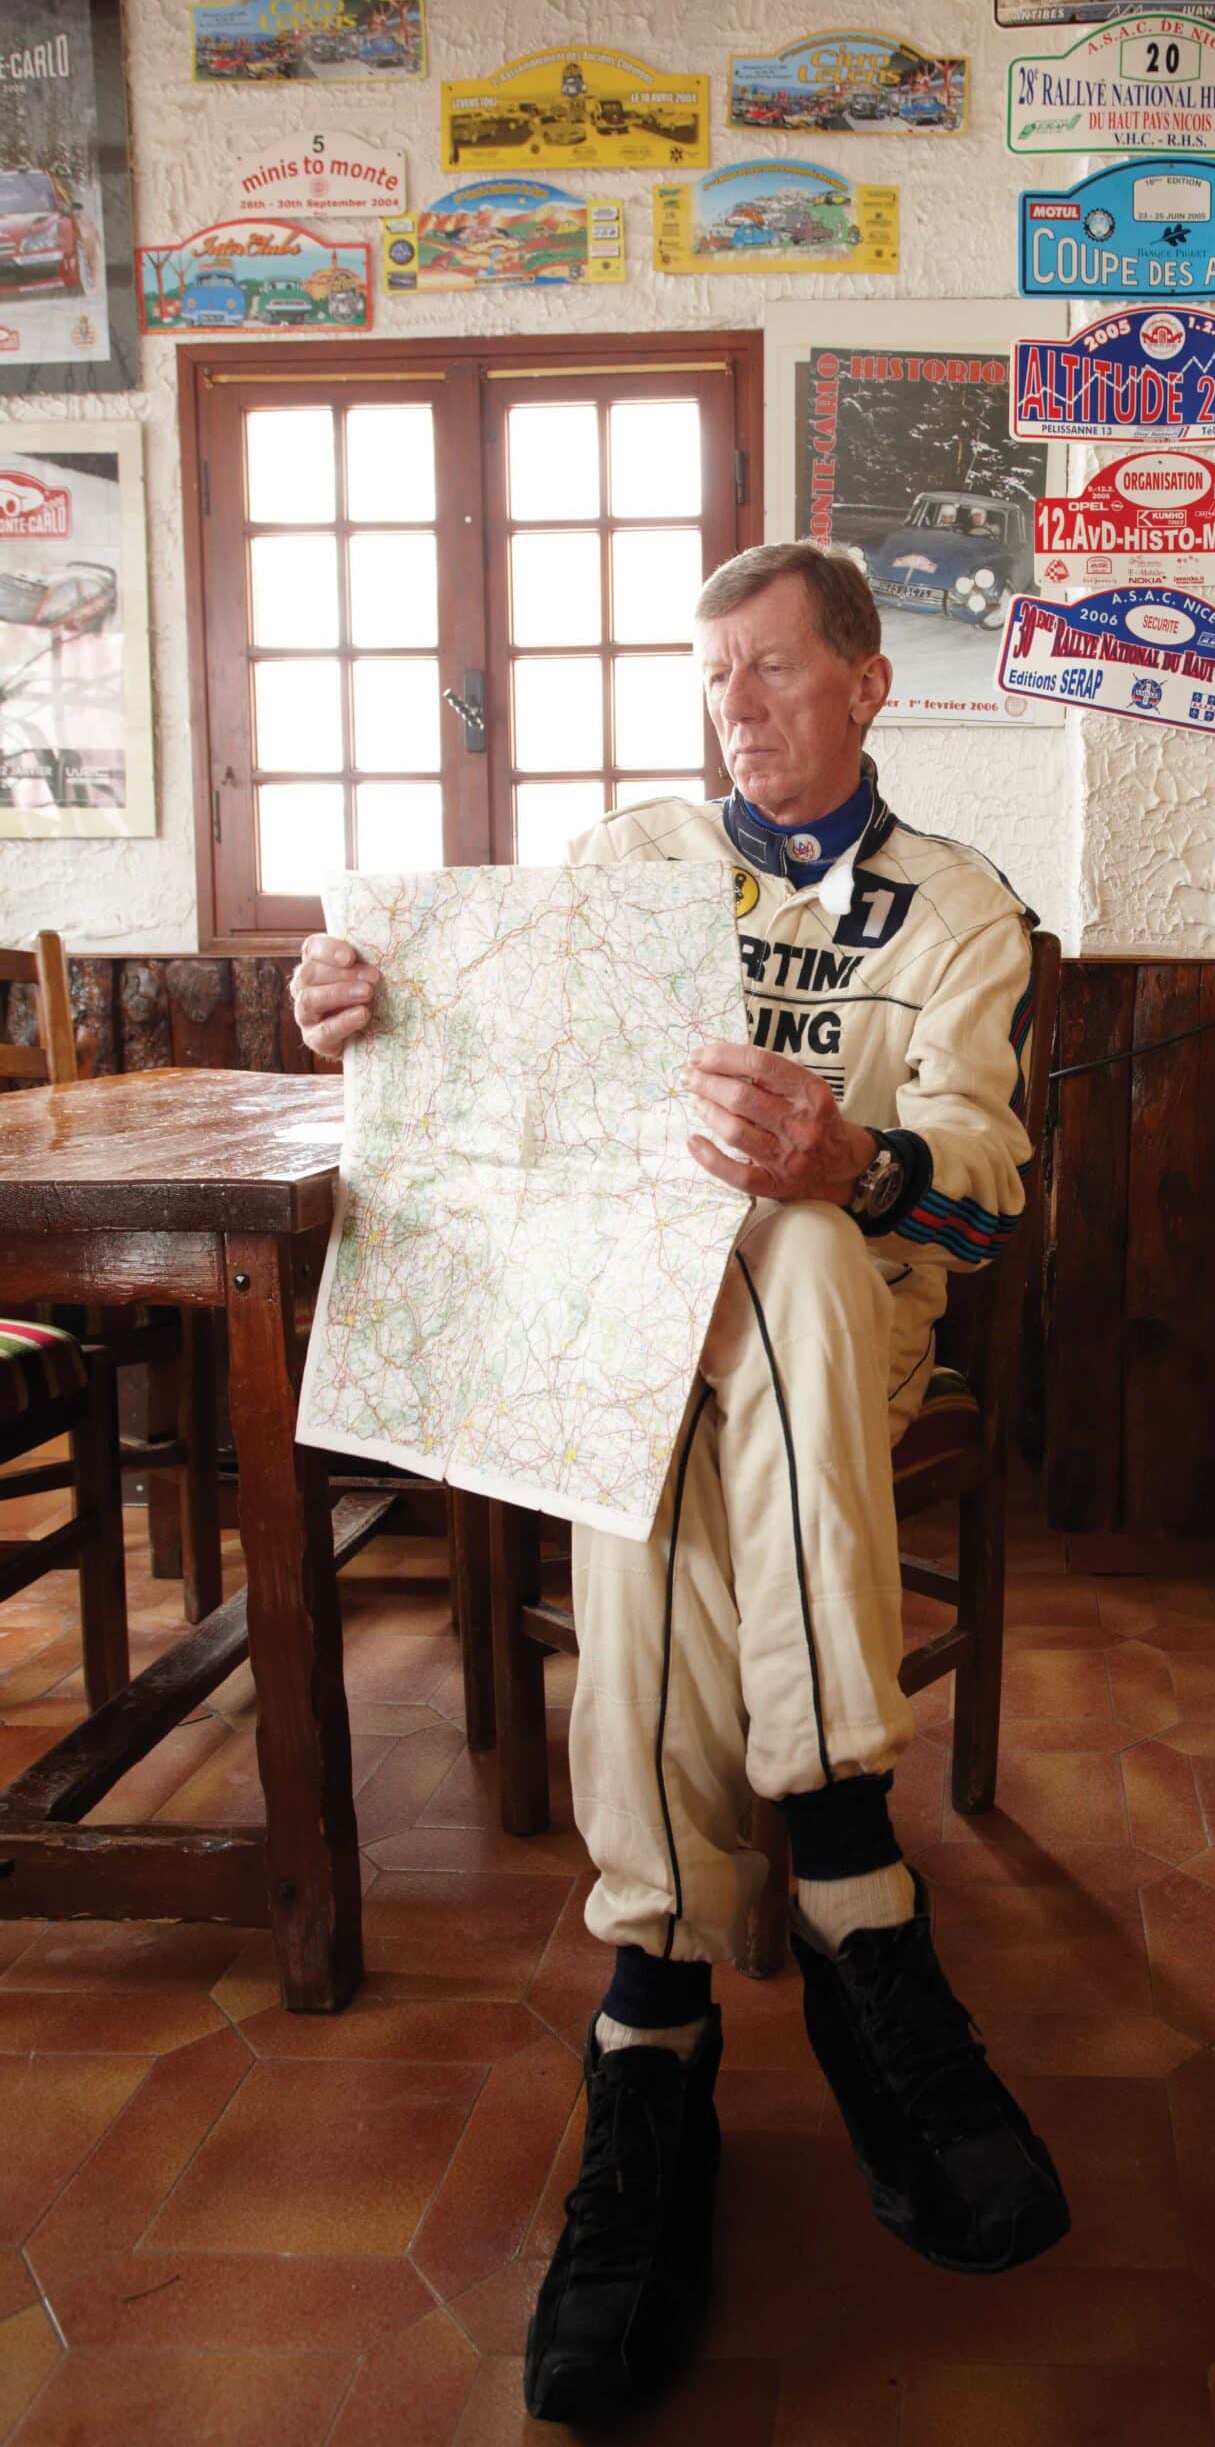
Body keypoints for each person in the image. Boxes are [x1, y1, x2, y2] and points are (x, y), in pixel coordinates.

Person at [289, 542, 1069, 2425]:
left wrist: (842, 1153)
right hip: (629, 1317)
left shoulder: (961, 912)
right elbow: (496, 1082)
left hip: (849, 1318)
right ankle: (848, 1874)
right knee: (662, 1374)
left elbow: (981, 1189)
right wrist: (363, 1009)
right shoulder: (627, 867)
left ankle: (649, 2020)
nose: (737, 706)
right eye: (716, 676)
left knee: (776, 1260)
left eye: (777, 670)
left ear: (869, 685)